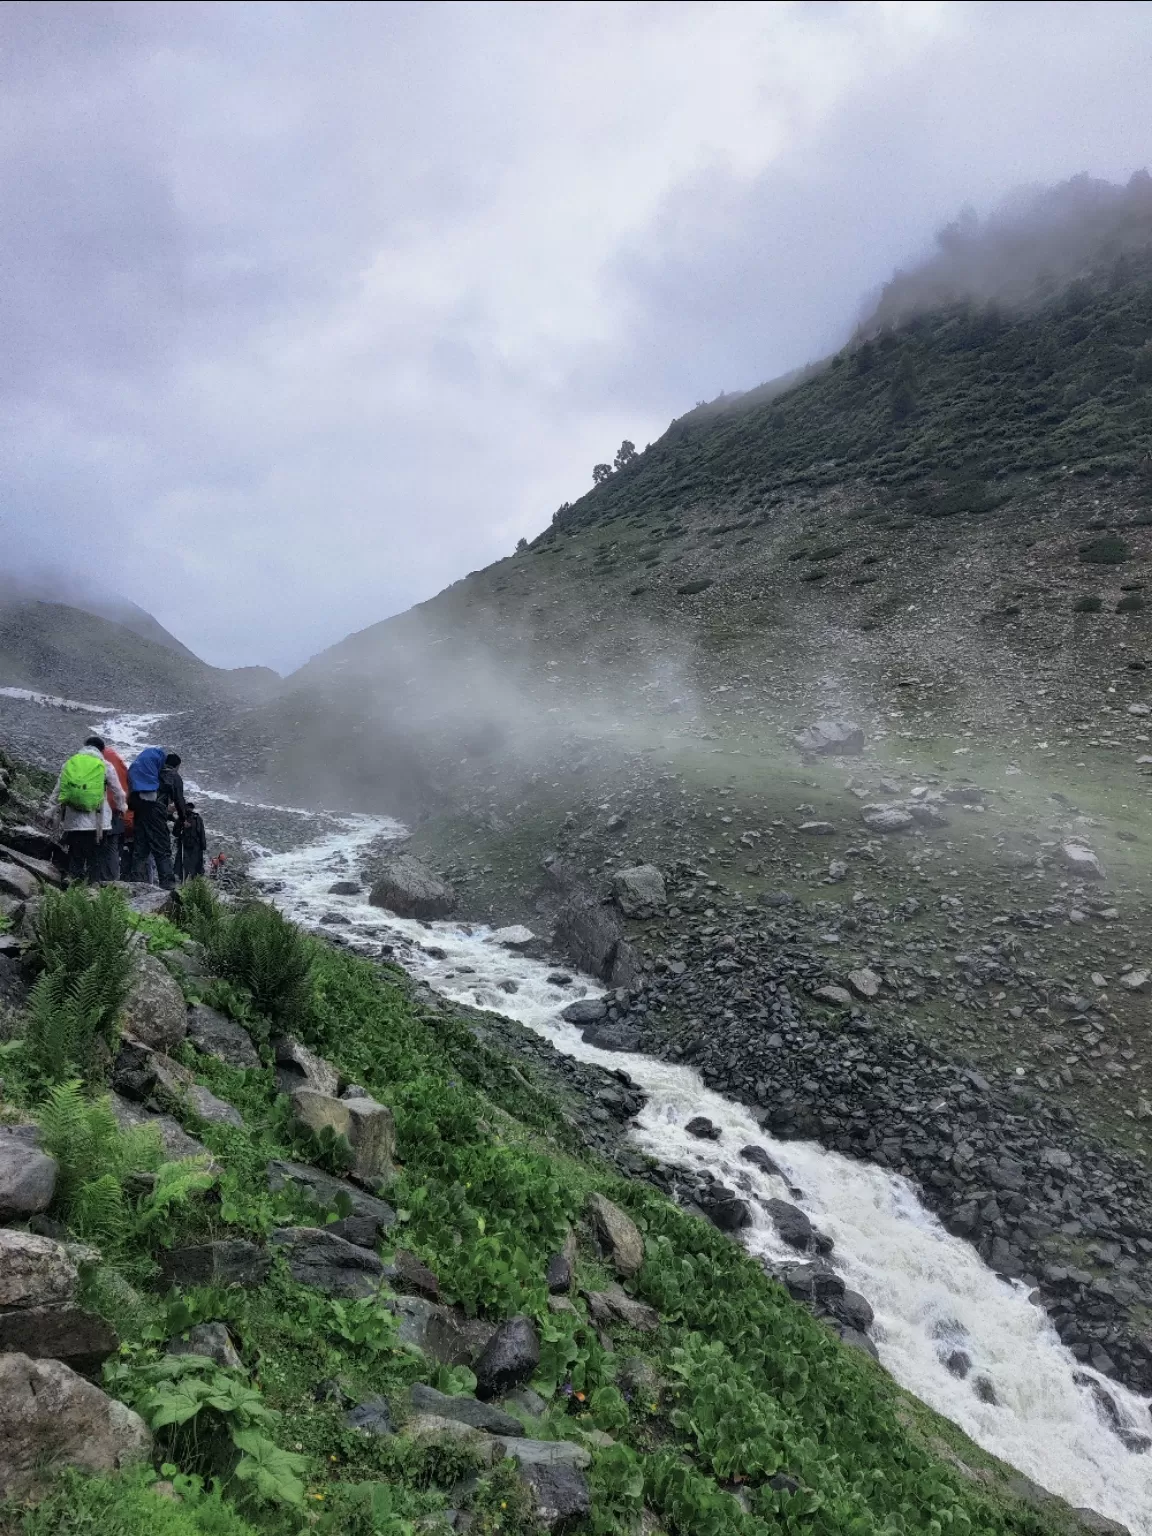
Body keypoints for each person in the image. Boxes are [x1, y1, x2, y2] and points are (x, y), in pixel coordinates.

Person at [50, 736, 127, 884]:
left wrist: (50, 810)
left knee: (76, 855)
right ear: (101, 750)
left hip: (73, 823)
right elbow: (118, 792)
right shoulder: (105, 765)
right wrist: (122, 807)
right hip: (99, 823)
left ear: (84, 746)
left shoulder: (69, 763)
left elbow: (57, 790)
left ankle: (73, 889)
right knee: (96, 859)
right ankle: (92, 892)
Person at [127, 746, 185, 889]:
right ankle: (168, 883)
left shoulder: (154, 774)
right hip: (156, 812)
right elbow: (179, 801)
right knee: (162, 849)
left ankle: (136, 884)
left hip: (141, 810)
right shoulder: (173, 776)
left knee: (141, 849)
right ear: (177, 766)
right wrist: (183, 819)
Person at [101, 742, 132, 884]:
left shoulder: (87, 762)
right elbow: (121, 791)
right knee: (112, 848)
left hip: (92, 812)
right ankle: (112, 881)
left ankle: (91, 878)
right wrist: (123, 810)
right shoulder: (116, 762)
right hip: (114, 813)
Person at [177, 799, 207, 882]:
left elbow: (201, 833)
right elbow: (202, 833)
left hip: (192, 846)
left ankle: (187, 882)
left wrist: (203, 846)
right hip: (189, 846)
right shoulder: (193, 818)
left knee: (189, 866)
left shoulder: (195, 818)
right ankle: (189, 883)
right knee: (189, 866)